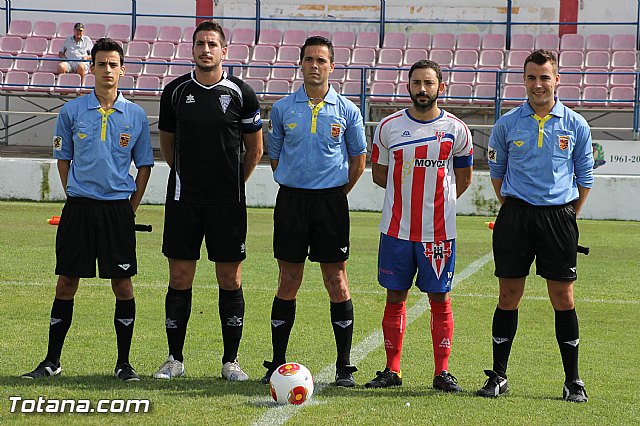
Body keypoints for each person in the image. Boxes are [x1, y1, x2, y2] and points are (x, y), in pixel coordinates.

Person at [21, 37, 154, 382]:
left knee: (122, 285)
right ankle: (52, 361)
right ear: (90, 68)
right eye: (101, 64)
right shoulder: (71, 112)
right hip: (79, 209)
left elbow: (144, 166)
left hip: (116, 212)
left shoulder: (136, 115)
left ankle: (124, 364)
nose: (107, 70)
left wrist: (130, 209)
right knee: (66, 282)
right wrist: (75, 196)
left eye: (113, 64)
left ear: (122, 70)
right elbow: (63, 160)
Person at [477, 49, 594, 402]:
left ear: (557, 80)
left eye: (545, 77)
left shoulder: (576, 124)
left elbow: (584, 178)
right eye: (532, 77)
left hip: (559, 217)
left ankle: (572, 380)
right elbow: (497, 175)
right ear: (524, 80)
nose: (538, 84)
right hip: (515, 216)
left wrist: (567, 215)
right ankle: (499, 376)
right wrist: (516, 208)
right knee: (508, 295)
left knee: (563, 296)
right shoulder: (507, 123)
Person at [154, 20, 263, 382]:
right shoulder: (174, 92)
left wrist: (230, 183)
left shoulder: (241, 93)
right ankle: (174, 359)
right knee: (180, 276)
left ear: (224, 51)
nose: (205, 49)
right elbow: (168, 144)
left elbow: (255, 149)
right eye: (200, 43)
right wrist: (190, 175)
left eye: (212, 44)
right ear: (193, 49)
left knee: (230, 279)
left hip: (227, 203)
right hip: (184, 199)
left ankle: (230, 361)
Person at [261, 35, 367, 387]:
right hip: (292, 201)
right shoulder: (282, 108)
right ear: (301, 64)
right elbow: (274, 155)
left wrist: (336, 193)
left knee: (336, 281)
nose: (315, 65)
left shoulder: (348, 110)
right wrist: (298, 183)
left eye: (322, 60)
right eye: (309, 59)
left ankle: (344, 366)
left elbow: (358, 160)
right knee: (288, 280)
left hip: (330, 203)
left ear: (332, 66)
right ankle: (277, 363)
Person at [364, 60, 473, 391]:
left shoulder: (457, 129)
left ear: (441, 87)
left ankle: (442, 372)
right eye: (416, 83)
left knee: (440, 299)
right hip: (396, 230)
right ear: (408, 86)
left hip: (438, 233)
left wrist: (435, 204)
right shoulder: (388, 126)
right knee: (394, 296)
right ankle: (392, 370)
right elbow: (380, 174)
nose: (422, 89)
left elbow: (462, 179)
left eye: (429, 83)